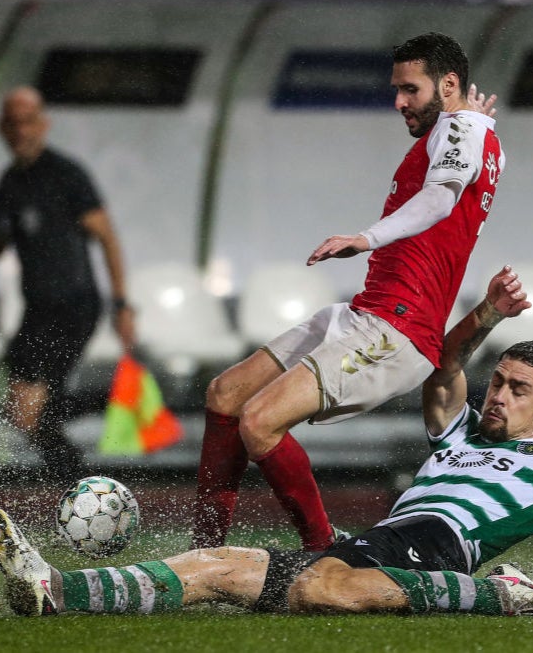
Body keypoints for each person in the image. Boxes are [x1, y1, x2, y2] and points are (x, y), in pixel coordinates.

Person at [0, 271, 533, 618]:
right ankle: (60, 592)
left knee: (325, 594)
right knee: (224, 567)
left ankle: (497, 593)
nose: (497, 394)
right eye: (498, 382)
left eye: (517, 390)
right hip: (377, 544)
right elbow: (444, 362)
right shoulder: (451, 430)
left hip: (438, 550)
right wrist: (482, 317)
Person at [192, 32, 506, 551]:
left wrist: (366, 238)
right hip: (364, 314)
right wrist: (471, 118)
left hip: (396, 330)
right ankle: (202, 554)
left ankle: (322, 554)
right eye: (397, 89)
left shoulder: (461, 127)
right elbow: (462, 155)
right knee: (226, 395)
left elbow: (441, 199)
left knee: (259, 422)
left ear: (448, 85)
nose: (399, 102)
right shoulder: (467, 128)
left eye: (411, 89)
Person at [0, 86, 135, 483]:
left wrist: (121, 304)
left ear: (43, 125)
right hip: (38, 310)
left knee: (36, 407)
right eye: (12, 123)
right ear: (1, 129)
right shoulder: (10, 183)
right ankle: (76, 480)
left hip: (74, 305)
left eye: (28, 121)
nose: (21, 131)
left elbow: (108, 237)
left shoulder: (67, 174)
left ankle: (96, 442)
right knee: (23, 411)